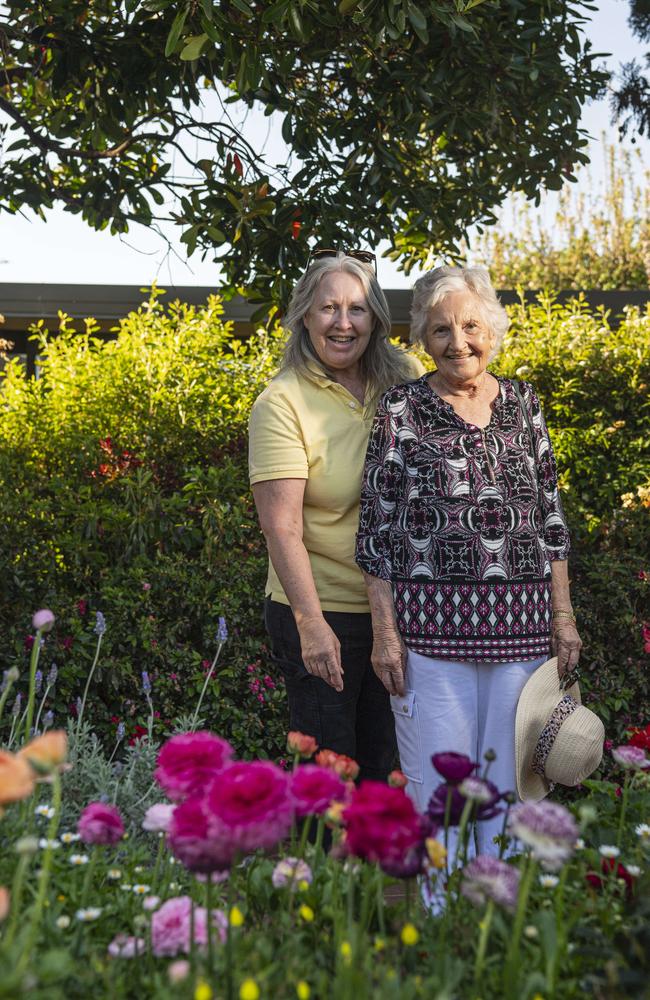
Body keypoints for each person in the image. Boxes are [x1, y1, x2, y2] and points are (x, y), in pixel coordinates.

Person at [355, 265, 582, 850]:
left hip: (522, 635)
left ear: (494, 331)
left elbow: (550, 517)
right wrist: (385, 634)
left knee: (507, 791)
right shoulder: (400, 409)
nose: (459, 341)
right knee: (441, 793)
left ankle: (499, 925)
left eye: (471, 326)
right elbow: (376, 532)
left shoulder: (525, 404)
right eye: (440, 330)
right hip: (431, 636)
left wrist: (563, 618)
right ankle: (442, 925)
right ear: (422, 340)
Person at [248, 250, 423, 781]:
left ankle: (376, 867)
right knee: (331, 775)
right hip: (322, 611)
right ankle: (323, 867)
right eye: (328, 308)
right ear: (305, 315)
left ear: (375, 318)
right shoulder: (282, 402)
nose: (343, 323)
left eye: (357, 309)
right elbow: (282, 527)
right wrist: (311, 624)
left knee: (388, 768)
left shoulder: (407, 382)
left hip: (400, 611)